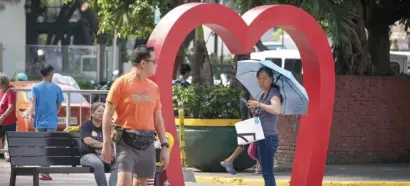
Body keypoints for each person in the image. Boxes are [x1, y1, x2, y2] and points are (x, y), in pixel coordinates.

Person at [101, 45, 169, 186]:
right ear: (143, 63)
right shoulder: (121, 83)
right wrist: (106, 143)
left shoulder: (153, 87)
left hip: (148, 141)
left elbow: (158, 118)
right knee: (124, 182)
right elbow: (107, 115)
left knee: (141, 183)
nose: (156, 65)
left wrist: (164, 145)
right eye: (154, 62)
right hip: (125, 141)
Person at [28, 64, 65, 181]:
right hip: (51, 121)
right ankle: (45, 171)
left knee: (41, 145)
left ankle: (42, 170)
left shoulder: (35, 87)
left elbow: (33, 102)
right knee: (49, 146)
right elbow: (59, 105)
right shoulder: (57, 88)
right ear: (50, 74)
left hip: (39, 120)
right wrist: (55, 113)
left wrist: (29, 114)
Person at [246, 67, 282, 186]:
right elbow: (262, 114)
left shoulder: (274, 93)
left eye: (265, 78)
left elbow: (276, 109)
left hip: (268, 137)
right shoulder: (263, 94)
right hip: (262, 137)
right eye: (259, 78)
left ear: (271, 79)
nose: (262, 81)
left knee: (267, 173)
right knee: (265, 172)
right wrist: (254, 109)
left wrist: (259, 104)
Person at [220, 90, 261, 175]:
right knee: (254, 143)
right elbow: (252, 109)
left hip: (249, 120)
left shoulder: (245, 96)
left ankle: (259, 166)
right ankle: (229, 161)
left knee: (251, 143)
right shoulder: (252, 94)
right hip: (251, 121)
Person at [80, 102, 117, 186]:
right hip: (88, 155)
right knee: (97, 163)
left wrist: (113, 128)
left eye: (103, 111)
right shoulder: (86, 125)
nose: (101, 113)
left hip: (105, 155)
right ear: (92, 113)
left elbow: (113, 141)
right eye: (99, 111)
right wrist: (105, 145)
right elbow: (88, 141)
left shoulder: (107, 125)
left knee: (118, 165)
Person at [0, 74, 17, 144]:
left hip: (9, 122)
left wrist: (2, 117)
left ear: (5, 84)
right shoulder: (1, 91)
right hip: (2, 122)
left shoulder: (11, 92)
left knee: (10, 143)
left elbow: (11, 107)